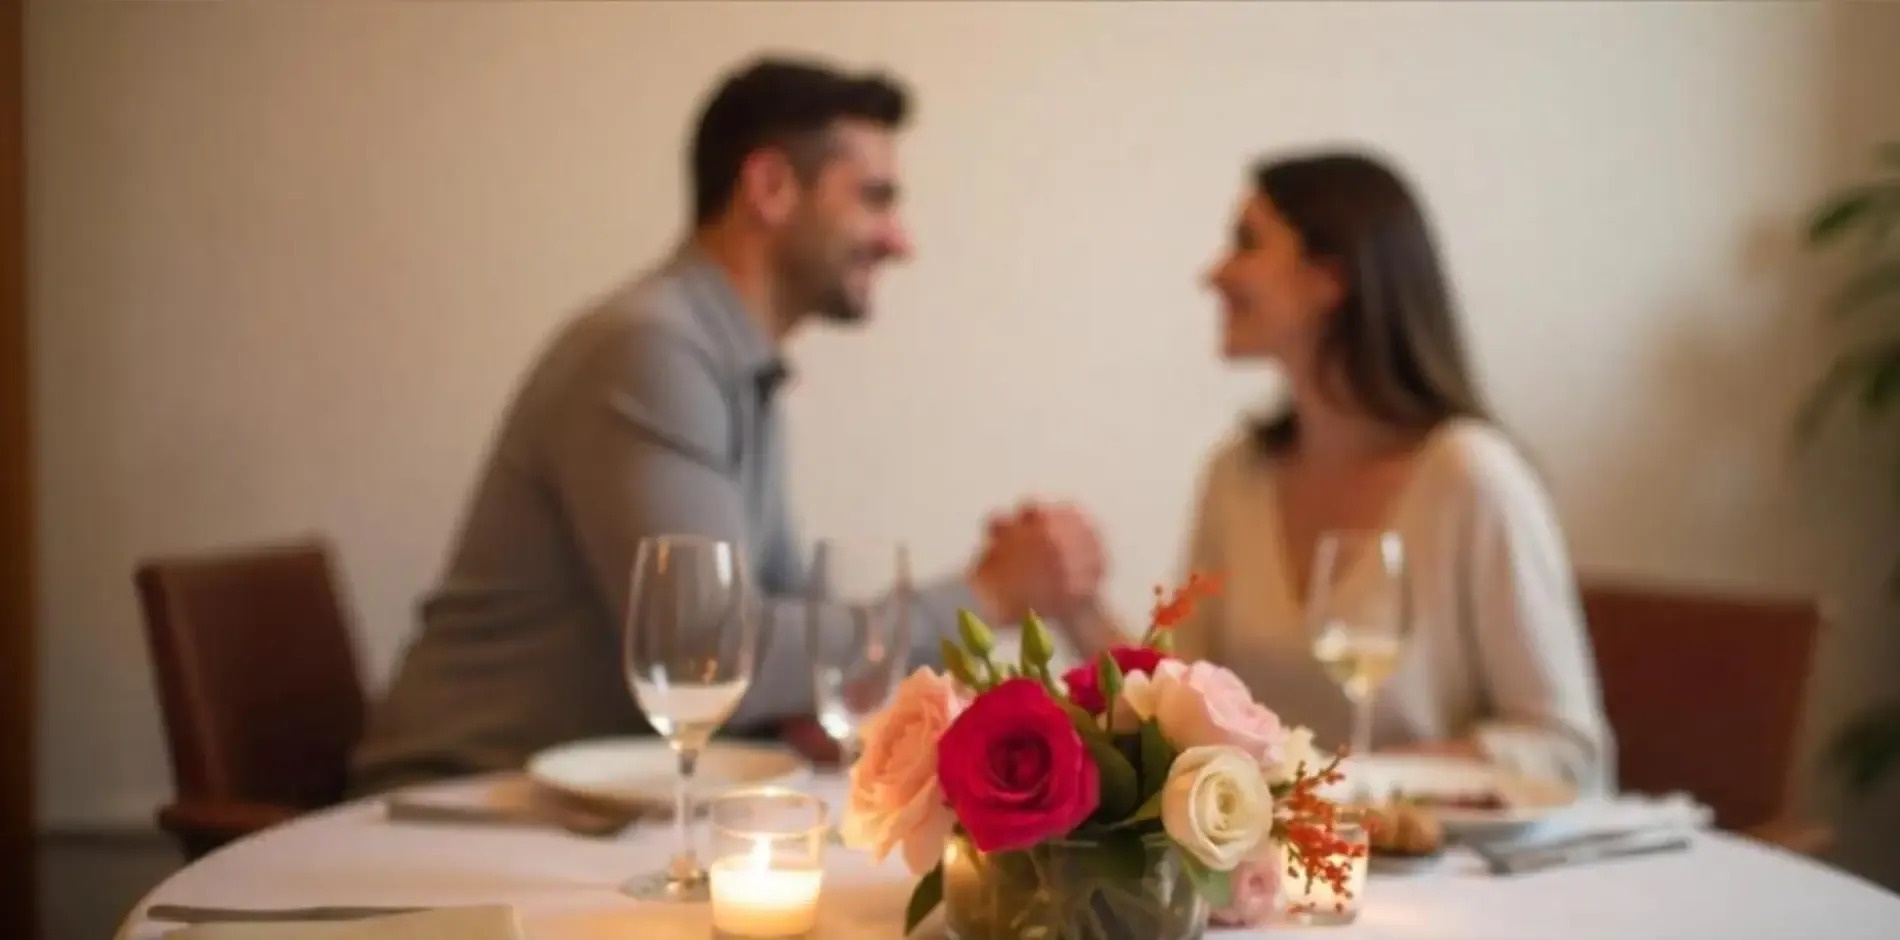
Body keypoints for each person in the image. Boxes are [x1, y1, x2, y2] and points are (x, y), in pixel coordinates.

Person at [350, 57, 1104, 795]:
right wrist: (987, 596)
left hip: (586, 808)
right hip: (462, 804)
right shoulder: (649, 349)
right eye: (874, 198)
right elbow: (706, 655)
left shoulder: (728, 360)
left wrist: (803, 703)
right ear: (771, 186)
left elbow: (766, 624)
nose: (898, 239)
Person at [1051, 150, 1613, 792]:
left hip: (1452, 880)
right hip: (1278, 881)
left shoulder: (1471, 477)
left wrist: (1357, 781)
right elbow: (1177, 717)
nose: (1214, 274)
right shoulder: (1237, 476)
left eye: (1246, 243)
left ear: (1331, 278)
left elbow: (1568, 753)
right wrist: (1075, 607)